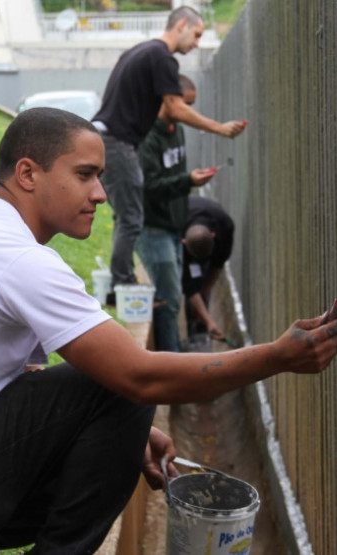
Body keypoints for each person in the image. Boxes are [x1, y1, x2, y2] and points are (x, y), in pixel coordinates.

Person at [0, 108, 337, 555]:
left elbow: (13, 381)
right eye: (84, 175)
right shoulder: (17, 259)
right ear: (28, 174)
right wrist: (277, 357)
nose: (101, 194)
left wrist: (129, 436)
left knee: (112, 402)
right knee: (121, 388)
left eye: (100, 177)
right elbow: (139, 377)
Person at [91, 6, 246, 291]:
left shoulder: (140, 51)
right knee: (132, 218)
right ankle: (122, 282)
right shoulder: (162, 57)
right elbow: (175, 107)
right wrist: (220, 128)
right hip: (117, 142)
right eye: (196, 34)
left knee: (127, 215)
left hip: (108, 139)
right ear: (181, 24)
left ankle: (121, 279)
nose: (197, 43)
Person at [135, 75, 215, 352]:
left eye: (191, 105)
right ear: (168, 99)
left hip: (173, 226)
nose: (188, 112)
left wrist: (187, 181)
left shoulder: (176, 130)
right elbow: (149, 186)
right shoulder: (146, 136)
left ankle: (173, 356)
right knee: (167, 302)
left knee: (173, 299)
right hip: (153, 228)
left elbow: (173, 178)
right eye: (185, 104)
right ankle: (173, 364)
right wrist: (188, 180)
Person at [182, 195, 235, 341]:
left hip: (211, 224)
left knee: (202, 287)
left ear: (213, 235)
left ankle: (201, 328)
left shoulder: (225, 226)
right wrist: (209, 320)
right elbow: (188, 286)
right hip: (185, 223)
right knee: (192, 285)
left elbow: (217, 265)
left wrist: (204, 293)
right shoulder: (176, 227)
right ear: (183, 241)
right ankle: (193, 330)